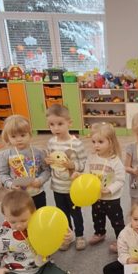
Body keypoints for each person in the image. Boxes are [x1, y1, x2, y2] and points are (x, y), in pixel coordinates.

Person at [45, 104, 87, 251]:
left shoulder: (77, 144)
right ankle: (67, 236)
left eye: (60, 124)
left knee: (76, 213)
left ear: (69, 123)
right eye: (52, 125)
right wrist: (47, 161)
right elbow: (50, 161)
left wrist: (72, 165)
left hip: (73, 188)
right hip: (57, 187)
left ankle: (80, 235)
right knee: (62, 214)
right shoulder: (51, 143)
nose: (56, 128)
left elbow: (84, 164)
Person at [85, 122, 125, 250]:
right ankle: (99, 233)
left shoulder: (115, 161)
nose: (96, 145)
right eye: (93, 141)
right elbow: (87, 174)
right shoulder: (91, 158)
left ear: (111, 142)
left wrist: (109, 189)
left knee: (117, 221)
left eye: (100, 142)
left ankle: (121, 240)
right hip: (96, 197)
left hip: (111, 199)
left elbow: (120, 180)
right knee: (97, 217)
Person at [0, 115, 49, 209]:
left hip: (38, 193)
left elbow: (47, 170)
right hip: (18, 196)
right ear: (7, 137)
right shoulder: (4, 155)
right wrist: (11, 184)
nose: (18, 139)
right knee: (24, 216)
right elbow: (2, 174)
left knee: (40, 215)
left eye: (22, 135)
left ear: (29, 134)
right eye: (13, 136)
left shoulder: (39, 152)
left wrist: (40, 180)